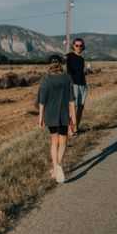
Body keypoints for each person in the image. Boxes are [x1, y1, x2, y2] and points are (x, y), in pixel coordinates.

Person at [37, 54, 76, 183]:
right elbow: (71, 99)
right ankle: (58, 165)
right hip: (64, 114)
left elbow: (42, 101)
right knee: (63, 140)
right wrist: (73, 115)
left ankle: (55, 168)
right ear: (61, 65)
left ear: (49, 65)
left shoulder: (45, 80)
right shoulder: (68, 78)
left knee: (54, 140)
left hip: (50, 114)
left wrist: (40, 117)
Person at [64, 38, 88, 136]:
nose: (79, 47)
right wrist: (64, 58)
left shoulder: (82, 59)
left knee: (81, 107)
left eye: (81, 45)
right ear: (73, 46)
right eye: (77, 45)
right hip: (73, 84)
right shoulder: (69, 56)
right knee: (73, 108)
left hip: (83, 85)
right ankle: (69, 129)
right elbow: (63, 60)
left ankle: (76, 127)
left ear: (83, 47)